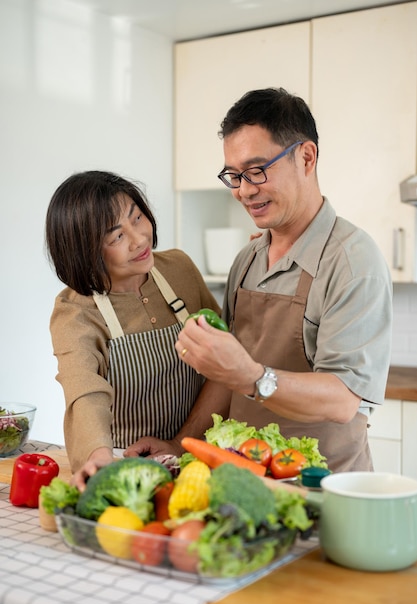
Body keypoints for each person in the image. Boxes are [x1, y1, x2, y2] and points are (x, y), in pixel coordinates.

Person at [136, 87, 393, 473]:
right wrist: (180, 443)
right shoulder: (248, 259)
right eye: (234, 175)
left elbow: (344, 399)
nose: (244, 190)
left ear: (306, 157)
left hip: (322, 489)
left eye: (257, 170)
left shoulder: (353, 261)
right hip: (243, 482)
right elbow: (228, 375)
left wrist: (252, 376)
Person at [45, 170, 221, 487]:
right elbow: (85, 393)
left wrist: (182, 442)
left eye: (137, 217)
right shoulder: (75, 313)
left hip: (201, 458)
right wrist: (99, 458)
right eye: (117, 236)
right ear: (86, 252)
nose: (139, 239)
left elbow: (223, 363)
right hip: (128, 471)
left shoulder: (179, 268)